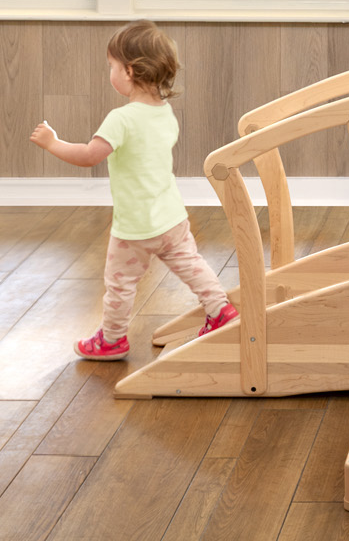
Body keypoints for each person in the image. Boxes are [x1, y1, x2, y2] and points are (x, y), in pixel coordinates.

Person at [29, 20, 238, 360]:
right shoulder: (165, 114)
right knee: (192, 265)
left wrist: (52, 143)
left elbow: (88, 156)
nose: (109, 73)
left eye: (111, 66)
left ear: (129, 71)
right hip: (171, 217)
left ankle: (112, 340)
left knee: (119, 285)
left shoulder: (121, 118)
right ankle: (220, 310)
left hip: (135, 227)